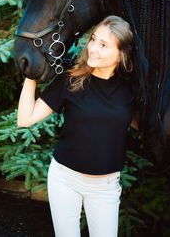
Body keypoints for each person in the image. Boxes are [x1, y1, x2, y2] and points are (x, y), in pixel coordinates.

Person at [17, 15, 136, 237]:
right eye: (93, 39)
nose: (92, 48)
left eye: (103, 45)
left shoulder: (131, 90)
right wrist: (31, 75)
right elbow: (25, 119)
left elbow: (149, 126)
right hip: (65, 180)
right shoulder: (71, 80)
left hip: (105, 187)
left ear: (121, 54)